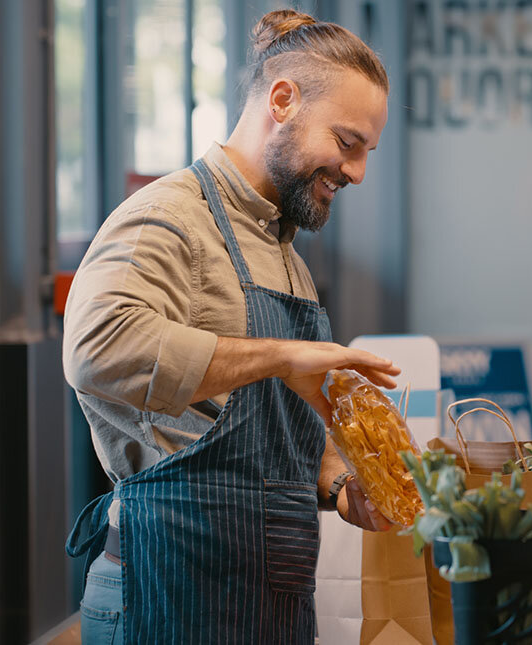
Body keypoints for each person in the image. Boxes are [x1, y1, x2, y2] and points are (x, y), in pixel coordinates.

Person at [63, 10, 399, 643]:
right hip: (166, 598)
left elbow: (268, 415)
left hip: (263, 605)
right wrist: (280, 355)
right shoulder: (170, 218)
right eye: (348, 142)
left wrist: (339, 482)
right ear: (282, 100)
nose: (357, 172)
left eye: (367, 153)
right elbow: (96, 349)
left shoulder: (286, 254)